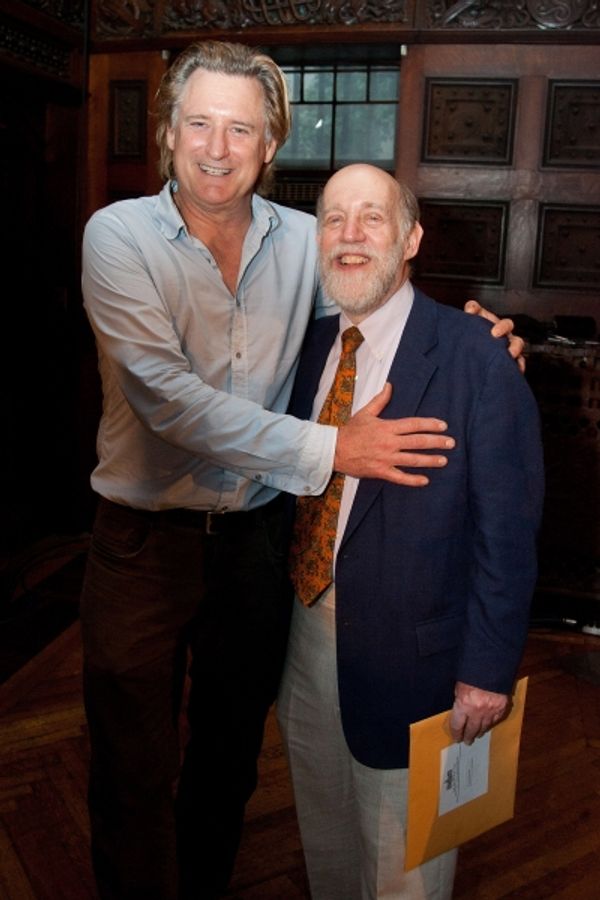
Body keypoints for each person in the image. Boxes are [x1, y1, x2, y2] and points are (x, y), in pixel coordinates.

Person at [80, 40, 524, 900]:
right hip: (143, 546)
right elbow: (166, 400)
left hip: (256, 545)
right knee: (131, 769)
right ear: (169, 132)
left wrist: (474, 338)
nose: (217, 147)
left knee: (228, 759)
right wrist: (332, 450)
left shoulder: (305, 241)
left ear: (271, 143)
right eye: (199, 123)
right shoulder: (117, 234)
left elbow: (378, 297)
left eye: (240, 128)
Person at [277, 164, 545, 900]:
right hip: (303, 640)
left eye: (372, 217)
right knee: (325, 842)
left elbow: (508, 534)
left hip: (418, 664)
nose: (352, 235)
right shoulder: (303, 351)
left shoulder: (477, 357)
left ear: (411, 237)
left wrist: (488, 670)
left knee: (406, 874)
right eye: (334, 219)